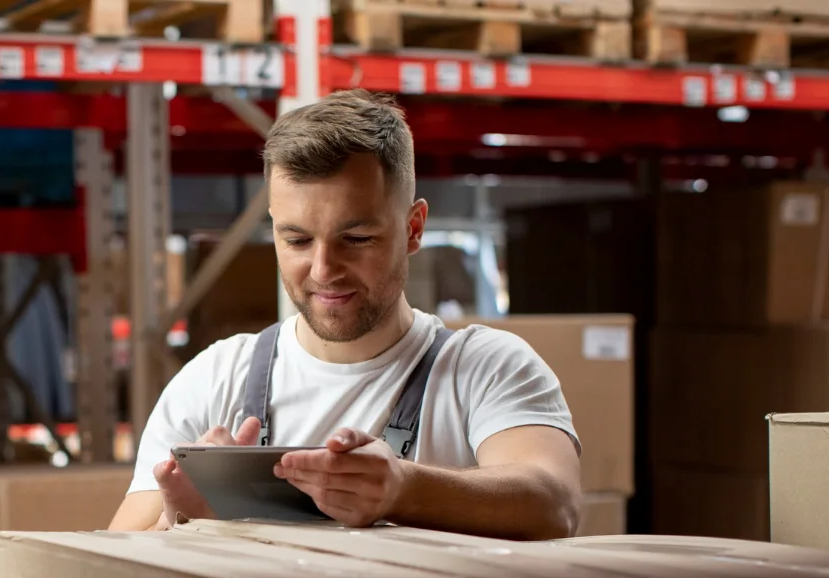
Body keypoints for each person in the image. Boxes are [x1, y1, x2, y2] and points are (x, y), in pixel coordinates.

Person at [107, 89, 582, 540]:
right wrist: (184, 524)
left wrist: (406, 489)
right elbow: (114, 557)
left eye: (356, 240)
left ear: (413, 228)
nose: (323, 270)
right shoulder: (214, 379)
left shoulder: (486, 368)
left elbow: (554, 502)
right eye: (296, 240)